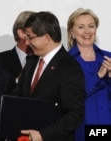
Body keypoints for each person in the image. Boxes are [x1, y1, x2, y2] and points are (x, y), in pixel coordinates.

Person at [11, 11, 86, 141]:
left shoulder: (70, 68)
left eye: (30, 37)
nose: (27, 42)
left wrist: (43, 135)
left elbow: (74, 115)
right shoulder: (32, 61)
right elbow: (17, 96)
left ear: (46, 38)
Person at [0, 11, 35, 141]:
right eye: (36, 31)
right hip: (4, 133)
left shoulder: (43, 61)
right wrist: (19, 81)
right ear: (22, 33)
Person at [67, 8, 111, 141]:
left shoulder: (108, 57)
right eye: (81, 27)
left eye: (91, 26)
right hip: (80, 129)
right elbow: (71, 97)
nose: (87, 31)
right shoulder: (66, 61)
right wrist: (98, 76)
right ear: (72, 32)